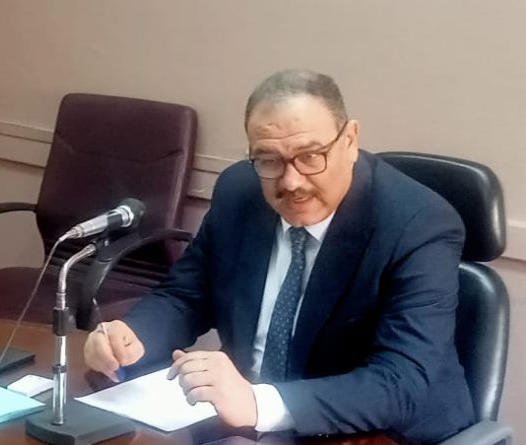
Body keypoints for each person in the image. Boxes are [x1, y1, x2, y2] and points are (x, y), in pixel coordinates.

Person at [84, 70, 473, 442]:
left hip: (379, 432)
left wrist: (259, 403)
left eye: (310, 156)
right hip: (246, 426)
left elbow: (401, 381)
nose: (291, 182)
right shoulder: (240, 192)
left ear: (350, 140)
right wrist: (134, 336)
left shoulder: (417, 224)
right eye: (269, 160)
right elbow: (187, 295)